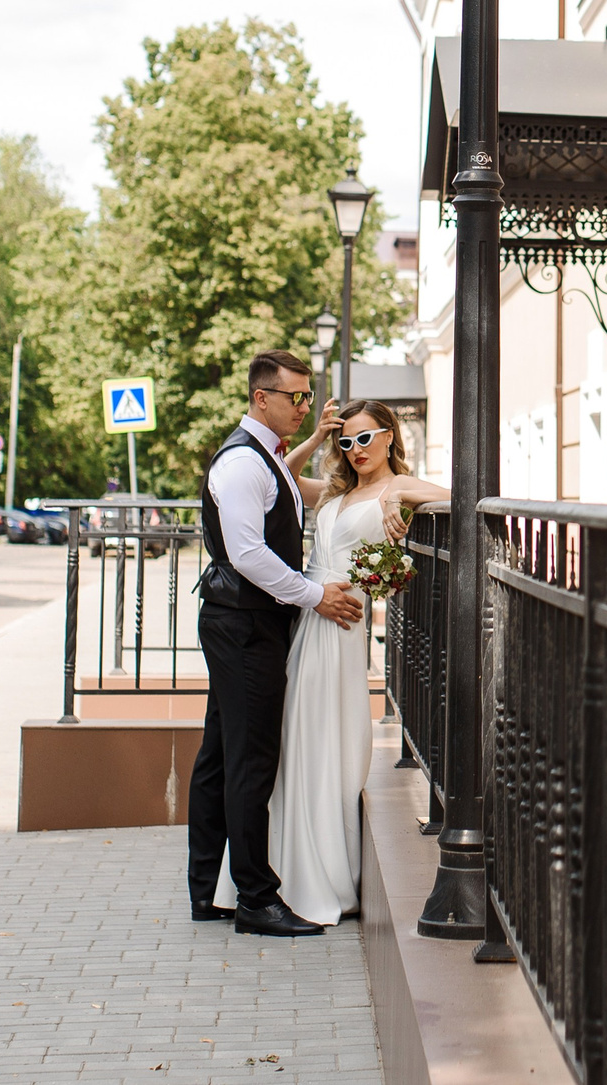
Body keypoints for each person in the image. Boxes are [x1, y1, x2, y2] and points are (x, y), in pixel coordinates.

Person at [213, 398, 444, 925]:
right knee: (295, 736)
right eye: (348, 441)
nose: (356, 450)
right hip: (308, 611)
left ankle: (320, 875)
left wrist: (401, 497)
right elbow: (281, 473)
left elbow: (457, 496)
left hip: (340, 621)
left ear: (389, 435)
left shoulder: (395, 488)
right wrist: (317, 439)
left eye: (365, 438)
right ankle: (281, 873)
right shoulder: (337, 492)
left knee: (332, 739)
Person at [187, 349, 368, 938]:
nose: (304, 405)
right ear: (261, 398)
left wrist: (314, 439)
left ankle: (206, 890)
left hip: (244, 622)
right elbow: (247, 555)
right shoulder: (241, 465)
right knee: (251, 761)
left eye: (308, 396)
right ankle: (256, 901)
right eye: (295, 397)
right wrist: (313, 595)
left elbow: (283, 482)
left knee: (220, 755)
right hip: (244, 626)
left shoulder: (264, 457)